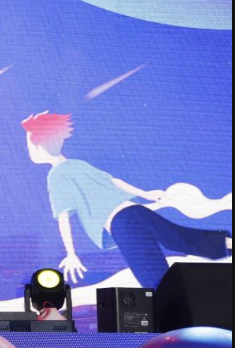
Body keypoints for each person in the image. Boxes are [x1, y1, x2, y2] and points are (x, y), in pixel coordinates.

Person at [22, 112, 231, 289]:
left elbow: (64, 216)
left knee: (153, 277)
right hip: (135, 211)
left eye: (29, 145)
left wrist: (71, 253)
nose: (29, 150)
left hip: (122, 224)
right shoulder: (77, 164)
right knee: (178, 239)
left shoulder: (56, 175)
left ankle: (176, 313)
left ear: (40, 146)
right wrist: (146, 194)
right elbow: (114, 181)